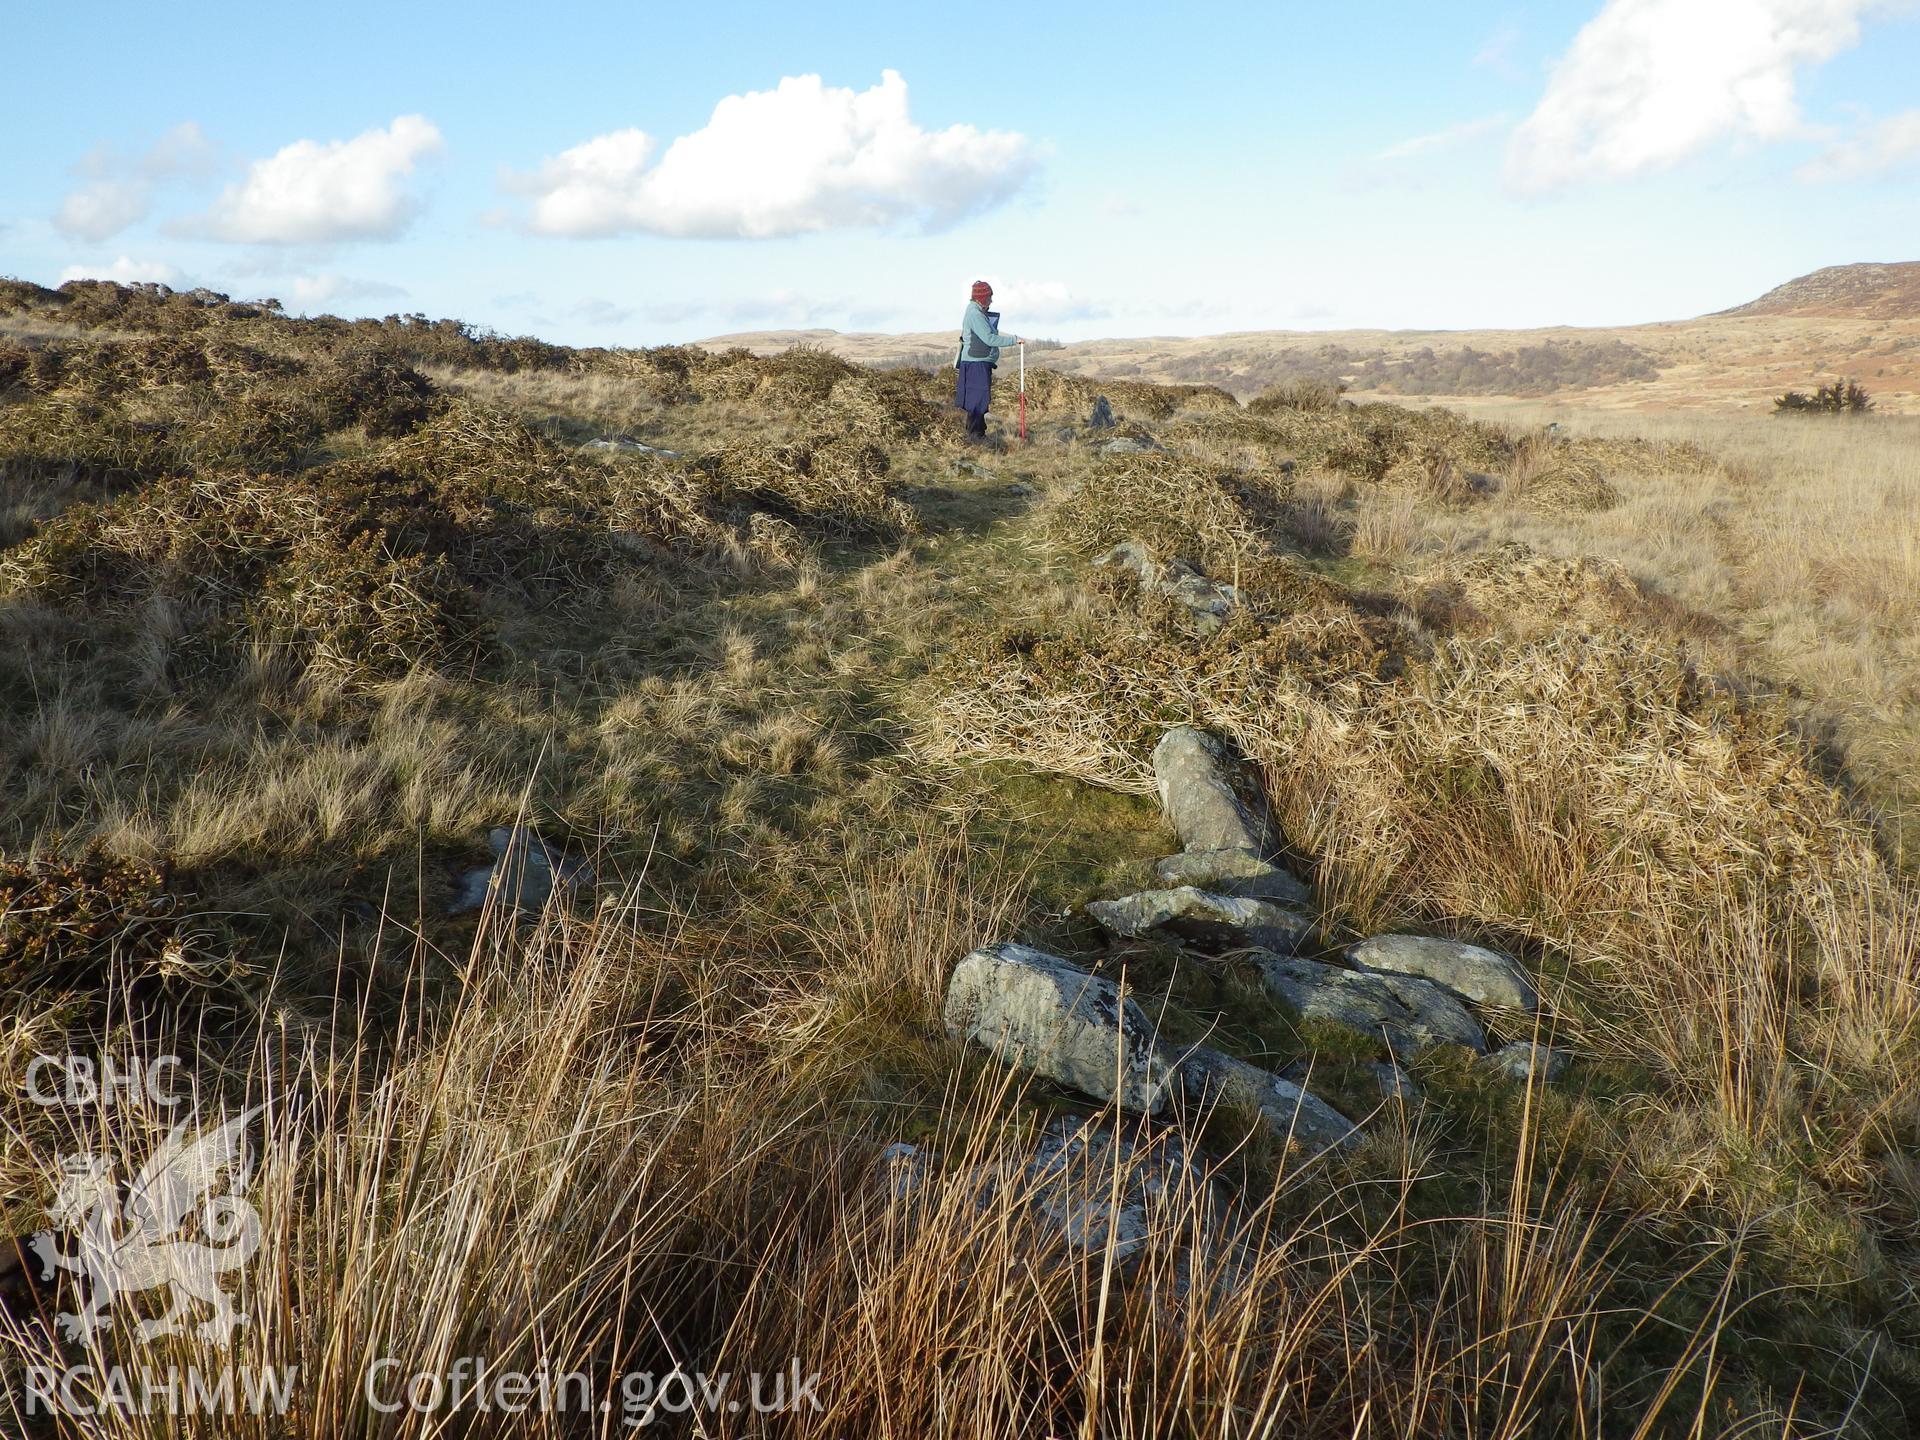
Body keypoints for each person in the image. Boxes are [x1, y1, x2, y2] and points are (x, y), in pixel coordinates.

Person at [953, 280, 1029, 443]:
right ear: (981, 298)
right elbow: (989, 338)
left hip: (978, 362)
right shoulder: (975, 314)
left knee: (978, 399)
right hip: (976, 363)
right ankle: (976, 436)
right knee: (978, 400)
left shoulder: (978, 311)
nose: (991, 300)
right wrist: (1014, 340)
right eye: (989, 297)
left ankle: (977, 433)